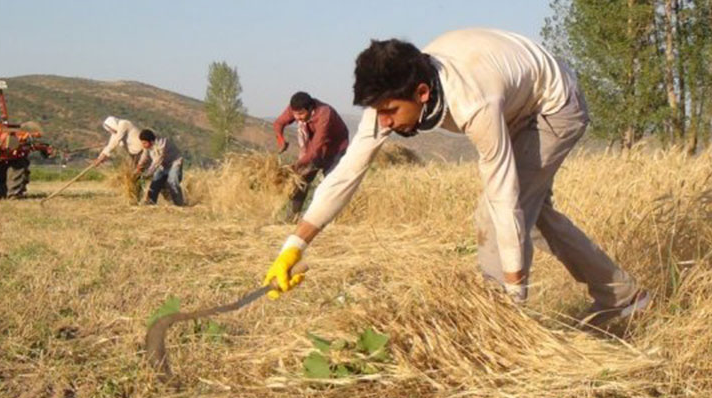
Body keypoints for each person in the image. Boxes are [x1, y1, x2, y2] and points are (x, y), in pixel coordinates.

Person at [262, 29, 649, 327]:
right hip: (515, 98)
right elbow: (346, 174)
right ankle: (624, 299)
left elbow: (503, 193)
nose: (385, 122)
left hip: (554, 104)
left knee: (496, 215)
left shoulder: (473, 100)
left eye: (391, 111)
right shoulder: (391, 94)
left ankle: (503, 322)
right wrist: (294, 246)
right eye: (377, 112)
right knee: (532, 219)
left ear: (423, 92)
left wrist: (514, 294)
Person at [272, 92, 349, 221]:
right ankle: (293, 216)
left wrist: (296, 166)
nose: (297, 118)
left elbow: (315, 148)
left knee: (331, 184)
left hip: (335, 150)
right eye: (295, 114)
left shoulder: (325, 114)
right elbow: (278, 124)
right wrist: (281, 139)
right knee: (301, 181)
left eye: (301, 114)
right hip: (313, 149)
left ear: (311, 108)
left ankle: (334, 219)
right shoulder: (295, 108)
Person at [135, 129, 185, 206]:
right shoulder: (148, 145)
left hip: (174, 163)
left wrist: (147, 174)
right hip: (162, 165)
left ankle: (179, 204)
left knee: (172, 181)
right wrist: (139, 165)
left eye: (144, 143)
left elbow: (157, 161)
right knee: (155, 182)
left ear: (151, 141)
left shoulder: (162, 143)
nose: (143, 145)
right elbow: (145, 155)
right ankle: (150, 203)